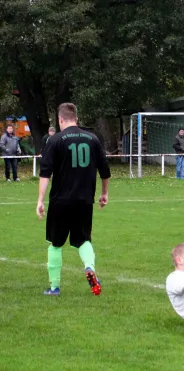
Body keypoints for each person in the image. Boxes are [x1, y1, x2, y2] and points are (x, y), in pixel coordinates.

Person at [36, 103, 111, 296]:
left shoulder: (55, 140)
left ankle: (54, 287)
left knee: (56, 243)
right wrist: (104, 194)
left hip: (61, 201)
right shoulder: (93, 139)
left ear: (61, 119)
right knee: (83, 239)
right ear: (75, 118)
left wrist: (40, 200)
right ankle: (89, 267)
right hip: (84, 200)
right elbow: (105, 171)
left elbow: (45, 173)